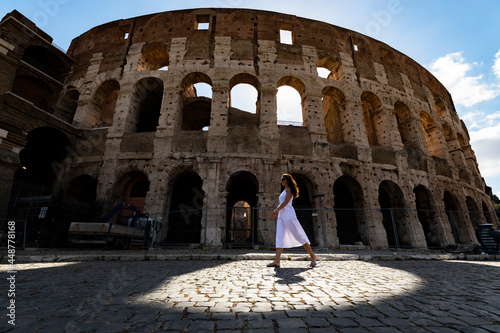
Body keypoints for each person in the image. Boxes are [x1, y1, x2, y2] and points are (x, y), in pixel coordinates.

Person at [268, 173, 318, 268]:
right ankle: (277, 261)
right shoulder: (284, 190)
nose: (281, 181)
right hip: (282, 215)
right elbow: (282, 203)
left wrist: (276, 210)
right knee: (280, 236)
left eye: (283, 179)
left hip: (288, 215)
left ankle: (313, 256)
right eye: (281, 179)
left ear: (287, 180)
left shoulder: (290, 190)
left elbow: (286, 202)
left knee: (298, 235)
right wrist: (277, 211)